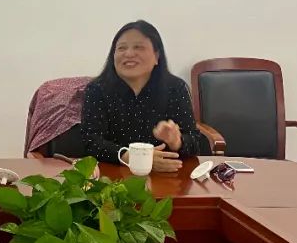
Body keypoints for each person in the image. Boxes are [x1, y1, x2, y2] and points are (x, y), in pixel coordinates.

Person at [81, 20, 208, 173]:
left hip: (167, 176)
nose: (128, 54)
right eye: (121, 48)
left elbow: (195, 142)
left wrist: (176, 141)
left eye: (138, 47)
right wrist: (132, 157)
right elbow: (91, 142)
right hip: (113, 176)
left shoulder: (175, 88)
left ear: (156, 56)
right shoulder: (97, 90)